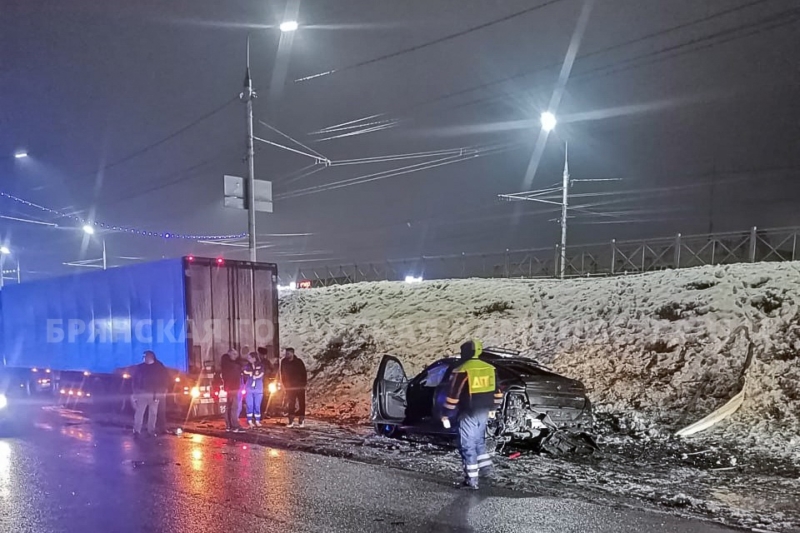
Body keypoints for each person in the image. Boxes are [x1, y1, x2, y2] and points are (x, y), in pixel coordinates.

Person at [441, 339, 503, 490]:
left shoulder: (462, 370)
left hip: (468, 412)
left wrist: (446, 413)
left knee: (467, 445)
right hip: (484, 411)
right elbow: (499, 392)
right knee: (479, 442)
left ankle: (471, 481)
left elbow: (453, 396)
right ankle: (487, 472)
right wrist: (494, 408)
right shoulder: (490, 368)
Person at [132, 350, 169, 437]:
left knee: (153, 413)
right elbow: (135, 380)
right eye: (143, 357)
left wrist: (161, 392)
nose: (143, 358)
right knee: (139, 413)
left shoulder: (159, 367)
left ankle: (151, 431)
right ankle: (136, 431)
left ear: (150, 357)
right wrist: (135, 392)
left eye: (145, 356)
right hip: (142, 394)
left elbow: (164, 380)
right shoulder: (140, 368)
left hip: (154, 394)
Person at [281, 347, 307, 428]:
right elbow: (282, 373)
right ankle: (291, 421)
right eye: (286, 353)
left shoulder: (299, 362)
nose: (286, 355)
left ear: (292, 353)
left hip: (299, 386)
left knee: (301, 403)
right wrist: (285, 384)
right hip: (290, 387)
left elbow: (304, 373)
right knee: (291, 404)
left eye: (288, 353)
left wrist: (303, 384)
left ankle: (301, 420)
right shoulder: (284, 362)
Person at [220, 349, 245, 433]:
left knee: (229, 407)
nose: (235, 356)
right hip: (232, 388)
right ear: (229, 354)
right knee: (234, 407)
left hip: (230, 387)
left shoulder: (226, 363)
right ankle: (235, 426)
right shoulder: (231, 365)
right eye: (234, 354)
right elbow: (238, 368)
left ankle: (229, 425)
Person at [242, 352, 265, 427]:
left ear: (254, 358)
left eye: (249, 358)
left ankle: (257, 420)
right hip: (249, 388)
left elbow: (261, 373)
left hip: (258, 389)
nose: (248, 359)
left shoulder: (260, 365)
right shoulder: (247, 366)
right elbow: (244, 372)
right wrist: (251, 373)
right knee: (250, 405)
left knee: (257, 405)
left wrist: (255, 376)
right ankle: (249, 420)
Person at [258, 347, 279, 417]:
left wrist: (271, 379)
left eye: (263, 355)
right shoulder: (257, 362)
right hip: (258, 383)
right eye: (261, 354)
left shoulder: (267, 362)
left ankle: (264, 412)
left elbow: (273, 371)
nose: (262, 356)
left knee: (264, 398)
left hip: (264, 383)